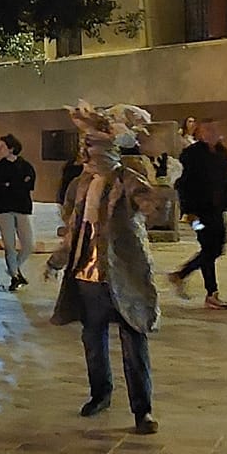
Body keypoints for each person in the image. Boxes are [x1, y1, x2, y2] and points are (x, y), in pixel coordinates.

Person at [48, 102, 160, 435]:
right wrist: (57, 259)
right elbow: (73, 228)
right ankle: (100, 394)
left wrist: (155, 197)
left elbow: (150, 205)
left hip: (122, 275)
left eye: (93, 147)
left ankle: (143, 410)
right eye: (86, 147)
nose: (87, 153)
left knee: (133, 342)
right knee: (92, 339)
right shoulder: (80, 185)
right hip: (87, 277)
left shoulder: (128, 178)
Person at [171, 120, 227, 311]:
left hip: (217, 211)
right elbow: (182, 184)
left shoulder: (221, 153)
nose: (212, 133)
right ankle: (212, 293)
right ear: (200, 133)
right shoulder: (191, 155)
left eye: (215, 130)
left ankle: (181, 274)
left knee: (217, 248)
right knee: (208, 248)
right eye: (208, 130)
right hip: (199, 213)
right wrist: (189, 212)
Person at [0, 134, 37, 290]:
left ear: (11, 148)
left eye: (2, 147)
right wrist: (16, 184)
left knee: (29, 244)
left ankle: (14, 268)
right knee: (9, 245)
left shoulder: (26, 166)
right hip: (3, 209)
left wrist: (11, 185)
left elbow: (28, 187)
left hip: (22, 208)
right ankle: (15, 276)